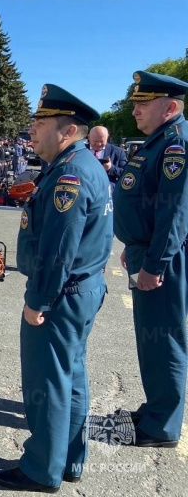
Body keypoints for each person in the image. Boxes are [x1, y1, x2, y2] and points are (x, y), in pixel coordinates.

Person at [0, 84, 112, 493]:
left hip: (61, 295)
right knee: (70, 379)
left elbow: (60, 249)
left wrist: (38, 300)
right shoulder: (74, 165)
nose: (32, 130)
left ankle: (41, 469)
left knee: (47, 384)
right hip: (81, 291)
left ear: (67, 130)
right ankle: (68, 460)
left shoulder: (70, 175)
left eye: (41, 123)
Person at [113, 71, 188, 448]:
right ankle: (157, 407)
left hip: (164, 259)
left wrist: (155, 264)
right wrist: (133, 244)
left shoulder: (175, 145)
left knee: (164, 339)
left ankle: (162, 426)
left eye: (143, 104)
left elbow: (174, 213)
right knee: (151, 336)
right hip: (147, 250)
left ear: (170, 107)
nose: (135, 110)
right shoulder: (156, 142)